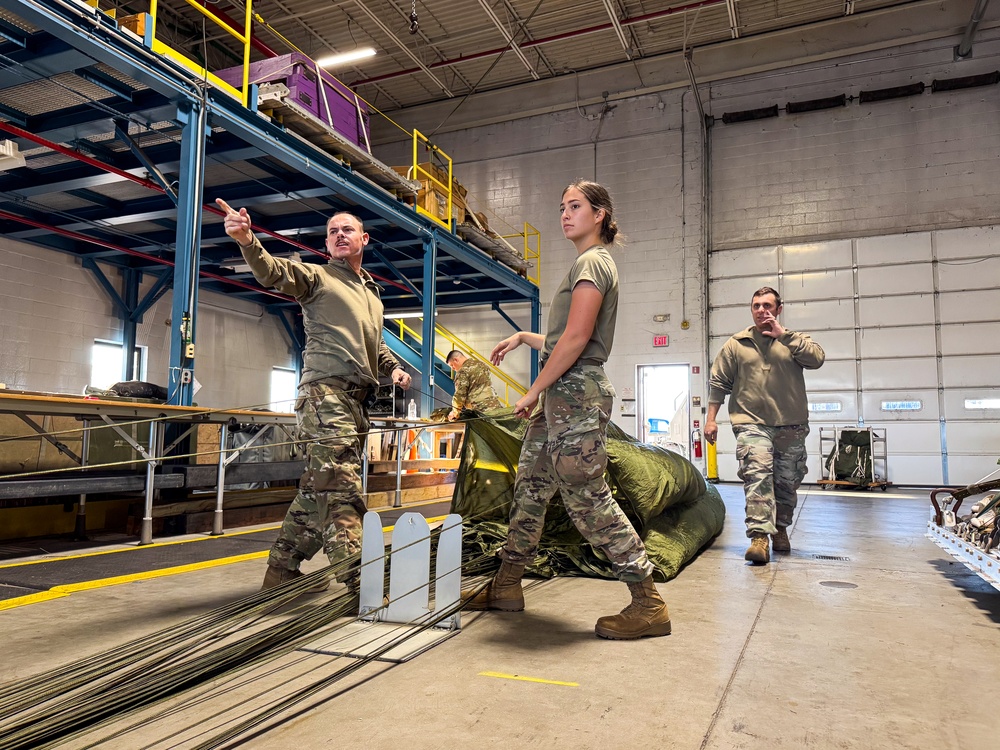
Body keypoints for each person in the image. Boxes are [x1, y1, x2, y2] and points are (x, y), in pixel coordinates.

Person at [462, 180, 672, 640]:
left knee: (587, 497)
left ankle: (647, 602)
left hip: (573, 395)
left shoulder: (594, 262)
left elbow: (578, 340)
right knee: (531, 489)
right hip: (563, 396)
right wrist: (522, 337)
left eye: (575, 206)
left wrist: (533, 389)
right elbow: (564, 338)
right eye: (561, 207)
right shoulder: (584, 263)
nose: (565, 214)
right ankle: (507, 585)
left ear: (599, 214)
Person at [215, 199, 412, 590]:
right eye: (333, 231)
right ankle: (361, 581)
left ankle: (282, 569)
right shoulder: (318, 277)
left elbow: (377, 345)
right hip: (325, 398)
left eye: (347, 229)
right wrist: (247, 240)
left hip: (356, 403)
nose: (340, 235)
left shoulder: (371, 293)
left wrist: (394, 369)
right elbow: (273, 273)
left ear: (364, 238)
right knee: (341, 487)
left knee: (316, 490)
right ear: (328, 242)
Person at [705, 287, 825, 565]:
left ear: (778, 309)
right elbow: (718, 384)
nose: (762, 310)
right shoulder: (737, 344)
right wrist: (711, 419)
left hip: (791, 425)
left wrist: (785, 336)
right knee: (756, 474)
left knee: (787, 481)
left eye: (767, 305)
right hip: (751, 423)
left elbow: (817, 359)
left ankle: (780, 528)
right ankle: (759, 537)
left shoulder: (794, 340)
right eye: (757, 305)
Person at [445, 349, 503, 421]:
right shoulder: (482, 365)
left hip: (480, 410)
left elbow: (460, 394)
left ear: (456, 360)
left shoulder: (462, 371)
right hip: (495, 406)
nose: (453, 368)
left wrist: (455, 412)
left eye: (452, 365)